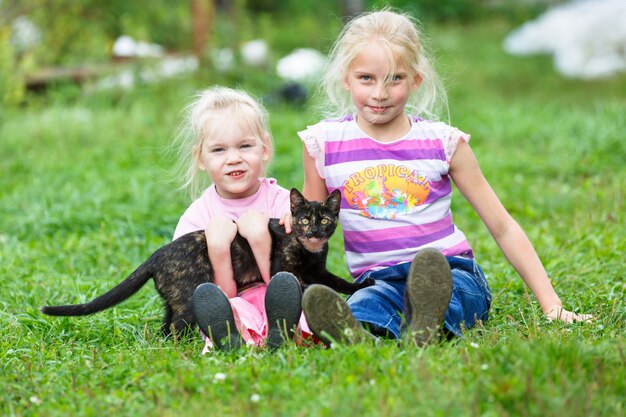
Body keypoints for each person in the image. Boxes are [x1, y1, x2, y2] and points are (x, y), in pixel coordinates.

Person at [284, 9, 593, 347]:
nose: (380, 93)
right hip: (377, 280)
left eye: (395, 79)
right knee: (364, 306)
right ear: (346, 78)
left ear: (416, 80)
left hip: (450, 271)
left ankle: (424, 321)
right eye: (366, 78)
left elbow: (501, 225)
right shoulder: (325, 143)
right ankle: (363, 334)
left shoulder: (443, 143)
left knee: (454, 297)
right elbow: (312, 234)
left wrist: (553, 306)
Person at [172, 86, 304, 352]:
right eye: (219, 150)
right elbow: (196, 291)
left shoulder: (282, 205)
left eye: (245, 146)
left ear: (264, 149)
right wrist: (218, 251)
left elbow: (296, 276)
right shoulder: (198, 217)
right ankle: (233, 337)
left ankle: (284, 330)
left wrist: (261, 241)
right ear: (201, 158)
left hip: (281, 295)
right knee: (228, 311)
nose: (234, 159)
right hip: (233, 300)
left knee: (299, 302)